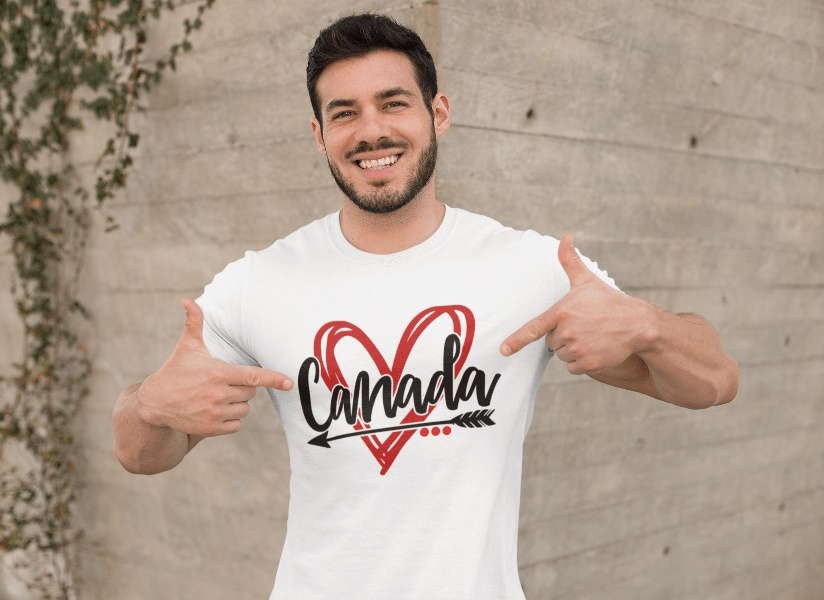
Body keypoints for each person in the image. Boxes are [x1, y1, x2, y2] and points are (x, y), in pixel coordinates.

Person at [112, 13, 739, 600]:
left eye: (393, 103)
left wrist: (649, 328)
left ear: (438, 112)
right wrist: (148, 405)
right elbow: (141, 453)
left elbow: (714, 381)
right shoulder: (259, 283)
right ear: (319, 134)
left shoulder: (529, 268)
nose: (371, 132)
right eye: (344, 113)